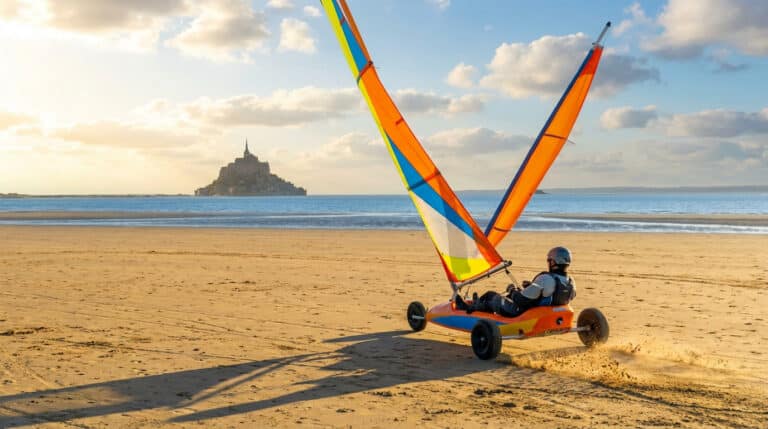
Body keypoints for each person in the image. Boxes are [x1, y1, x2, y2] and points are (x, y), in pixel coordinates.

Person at [455, 246, 576, 317]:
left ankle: (468, 308)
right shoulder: (571, 282)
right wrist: (531, 287)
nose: (548, 262)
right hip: (552, 314)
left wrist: (512, 291)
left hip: (523, 314)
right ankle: (479, 306)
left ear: (554, 262)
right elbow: (553, 295)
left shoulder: (546, 279)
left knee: (491, 295)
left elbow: (521, 300)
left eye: (549, 260)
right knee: (511, 295)